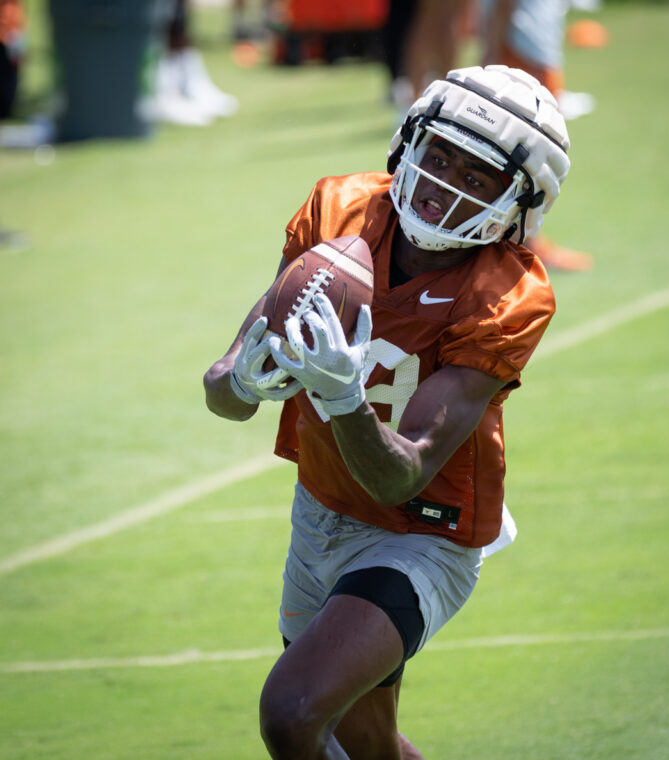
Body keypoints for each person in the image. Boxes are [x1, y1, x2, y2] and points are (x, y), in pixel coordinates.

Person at [204, 64, 570, 759]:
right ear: (407, 144)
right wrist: (241, 380)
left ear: (519, 203)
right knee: (364, 742)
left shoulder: (507, 293)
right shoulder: (339, 211)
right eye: (438, 157)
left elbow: (402, 476)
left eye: (476, 177)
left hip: (422, 533)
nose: (443, 185)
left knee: (293, 712)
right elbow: (222, 393)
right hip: (318, 511)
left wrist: (344, 400)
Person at [482, 0, 594, 272]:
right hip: (522, 47)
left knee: (530, 158)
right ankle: (520, 243)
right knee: (525, 157)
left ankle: (521, 241)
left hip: (531, 44)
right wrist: (492, 51)